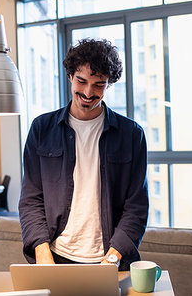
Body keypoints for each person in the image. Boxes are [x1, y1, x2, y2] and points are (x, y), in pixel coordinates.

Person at [19, 38, 148, 271]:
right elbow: (31, 199)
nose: (88, 92)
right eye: (81, 81)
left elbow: (136, 207)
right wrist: (41, 252)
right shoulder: (41, 129)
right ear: (70, 76)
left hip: (109, 259)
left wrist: (112, 258)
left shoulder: (132, 135)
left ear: (109, 85)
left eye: (99, 84)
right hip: (54, 257)